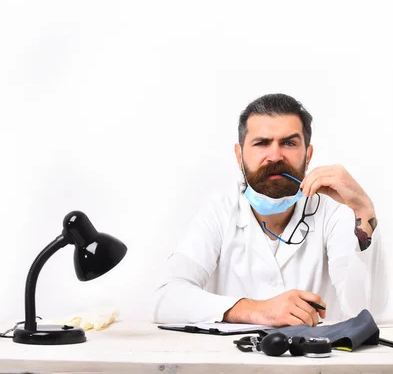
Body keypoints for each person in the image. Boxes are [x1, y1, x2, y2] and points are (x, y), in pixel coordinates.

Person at [153, 93, 380, 327]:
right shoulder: (220, 209)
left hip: (316, 361)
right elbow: (166, 299)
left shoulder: (335, 210)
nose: (275, 156)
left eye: (289, 143)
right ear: (239, 156)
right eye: (262, 143)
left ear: (308, 155)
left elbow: (364, 313)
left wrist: (363, 209)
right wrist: (257, 310)